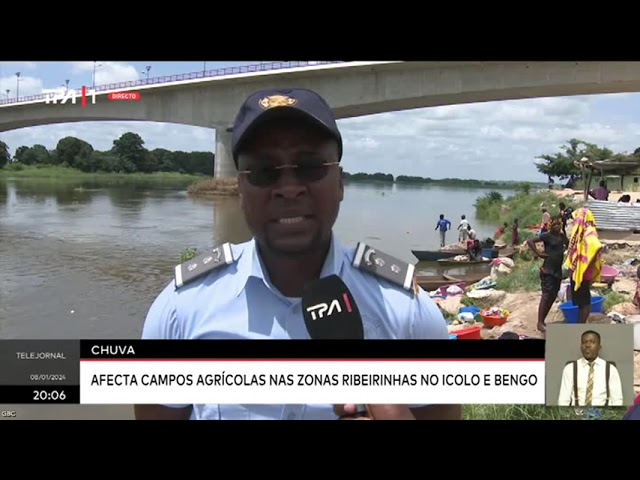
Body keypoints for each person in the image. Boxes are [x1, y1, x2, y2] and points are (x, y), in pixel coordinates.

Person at [135, 87, 460, 421]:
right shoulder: (182, 307)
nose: (289, 188)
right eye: (263, 171)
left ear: (340, 183)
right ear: (240, 191)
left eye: (309, 166)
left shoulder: (407, 311)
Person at [557, 330, 624, 407]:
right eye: (584, 342)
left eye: (592, 342)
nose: (587, 345)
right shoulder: (570, 368)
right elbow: (563, 400)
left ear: (599, 347)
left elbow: (617, 399)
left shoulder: (610, 369)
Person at [526, 216, 569, 332]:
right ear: (550, 226)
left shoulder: (561, 236)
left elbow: (568, 243)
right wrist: (538, 254)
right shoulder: (547, 236)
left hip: (557, 271)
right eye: (554, 225)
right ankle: (540, 323)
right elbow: (530, 241)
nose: (557, 226)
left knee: (553, 294)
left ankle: (543, 320)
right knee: (546, 295)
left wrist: (564, 248)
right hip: (548, 270)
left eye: (558, 224)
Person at [564, 207, 603, 323]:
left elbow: (596, 245)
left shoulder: (587, 232)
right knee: (582, 303)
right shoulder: (581, 230)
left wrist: (587, 263)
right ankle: (580, 325)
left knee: (585, 304)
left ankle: (580, 326)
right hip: (579, 272)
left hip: (583, 273)